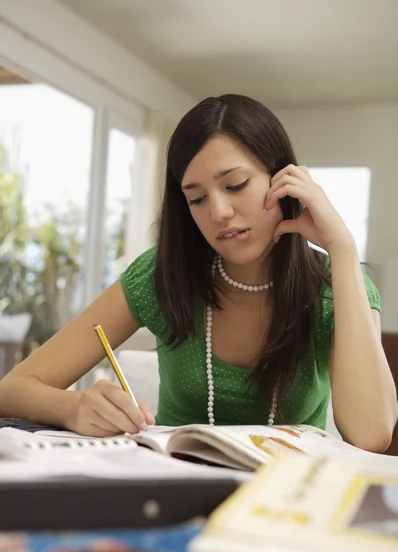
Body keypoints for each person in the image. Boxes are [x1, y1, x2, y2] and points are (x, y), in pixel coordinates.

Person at [0, 94, 396, 451]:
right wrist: (73, 406)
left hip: (286, 502)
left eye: (236, 185)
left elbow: (372, 435)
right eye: (197, 198)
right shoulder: (163, 274)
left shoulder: (335, 285)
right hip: (173, 492)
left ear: (284, 180)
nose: (218, 212)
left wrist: (342, 249)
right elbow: (13, 389)